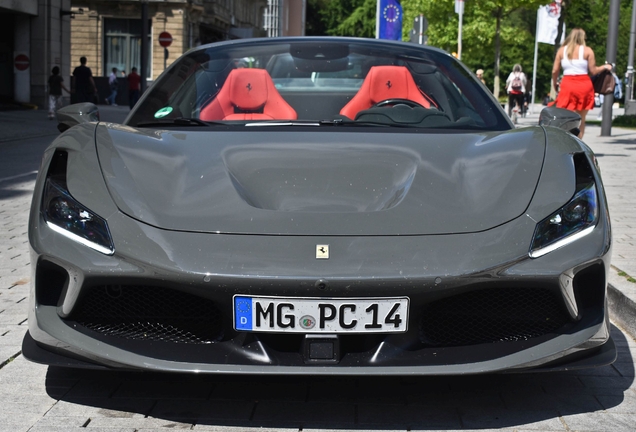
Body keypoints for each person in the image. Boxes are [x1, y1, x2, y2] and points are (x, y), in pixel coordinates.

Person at [552, 28, 612, 139]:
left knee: (566, 118)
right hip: (584, 85)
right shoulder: (587, 50)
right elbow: (593, 71)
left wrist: (554, 84)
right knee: (581, 119)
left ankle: (567, 142)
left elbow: (555, 71)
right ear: (583, 38)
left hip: (567, 85)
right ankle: (578, 144)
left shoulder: (562, 51)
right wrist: (605, 67)